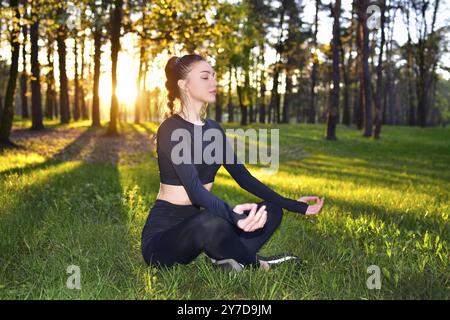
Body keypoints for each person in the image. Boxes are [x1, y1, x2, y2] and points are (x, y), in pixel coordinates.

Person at [141, 53, 325, 272]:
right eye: (205, 77)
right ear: (184, 85)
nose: (213, 81)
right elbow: (195, 191)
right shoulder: (171, 129)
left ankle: (226, 258)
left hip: (202, 221)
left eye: (213, 76)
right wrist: (235, 217)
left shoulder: (213, 130)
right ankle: (259, 264)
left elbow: (244, 178)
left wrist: (296, 206)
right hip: (164, 237)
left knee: (271, 210)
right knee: (211, 220)